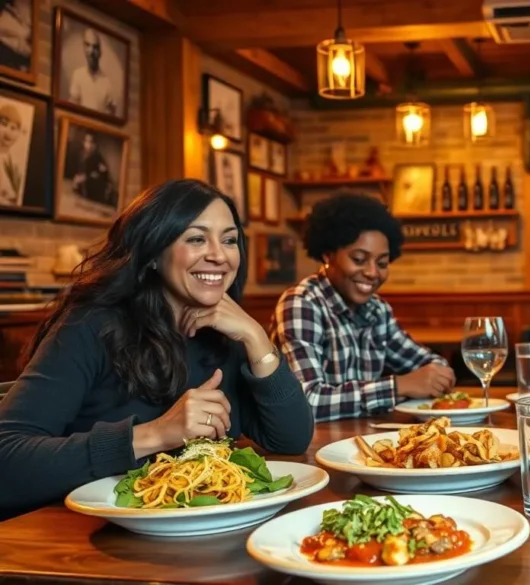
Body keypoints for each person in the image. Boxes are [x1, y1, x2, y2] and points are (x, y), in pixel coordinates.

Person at [0, 179, 314, 518]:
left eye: (230, 240)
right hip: (86, 540)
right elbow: (8, 460)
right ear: (152, 252)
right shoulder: (89, 326)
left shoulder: (226, 334)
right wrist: (157, 434)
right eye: (196, 238)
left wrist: (256, 337)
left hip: (205, 534)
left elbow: (292, 439)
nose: (219, 255)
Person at [270, 192, 455, 422]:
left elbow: (434, 366)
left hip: (364, 440)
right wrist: (398, 386)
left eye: (382, 263)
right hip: (309, 447)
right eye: (358, 259)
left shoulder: (377, 310)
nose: (372, 272)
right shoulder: (302, 303)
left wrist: (434, 376)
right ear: (328, 254)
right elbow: (306, 401)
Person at [68, 28, 117, 115]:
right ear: (84, 48)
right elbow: (72, 108)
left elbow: (111, 115)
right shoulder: (77, 75)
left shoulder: (107, 83)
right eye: (87, 45)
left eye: (95, 47)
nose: (91, 51)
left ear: (100, 52)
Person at [71, 130, 117, 207]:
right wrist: (78, 178)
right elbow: (81, 171)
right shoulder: (82, 155)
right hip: (86, 182)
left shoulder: (97, 157)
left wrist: (86, 177)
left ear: (94, 145)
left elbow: (102, 173)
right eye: (86, 141)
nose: (87, 144)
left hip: (97, 185)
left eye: (90, 142)